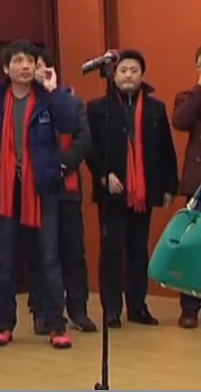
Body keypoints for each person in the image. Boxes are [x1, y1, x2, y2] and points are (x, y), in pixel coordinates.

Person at [0, 39, 77, 349]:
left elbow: (69, 123)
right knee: (6, 261)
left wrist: (54, 90)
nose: (24, 66)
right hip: (8, 189)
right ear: (6, 67)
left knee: (49, 259)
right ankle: (3, 324)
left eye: (30, 61)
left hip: (42, 189)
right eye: (18, 60)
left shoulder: (49, 98)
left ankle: (56, 324)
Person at [86, 49, 178, 328]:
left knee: (138, 249)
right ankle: (111, 310)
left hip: (144, 190)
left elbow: (166, 149)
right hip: (112, 190)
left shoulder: (155, 108)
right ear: (114, 74)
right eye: (123, 70)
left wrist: (169, 186)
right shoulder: (98, 108)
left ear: (142, 75)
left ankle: (137, 306)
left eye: (134, 71)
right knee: (112, 249)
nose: (128, 75)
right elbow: (90, 147)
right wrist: (103, 175)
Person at [27, 48, 97, 335]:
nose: (35, 70)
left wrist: (60, 166)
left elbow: (84, 139)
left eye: (39, 65)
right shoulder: (26, 103)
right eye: (31, 65)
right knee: (42, 253)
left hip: (67, 187)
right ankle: (42, 311)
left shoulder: (70, 101)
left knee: (73, 251)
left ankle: (78, 310)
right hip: (37, 189)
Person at [171, 46, 201, 328]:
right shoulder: (188, 97)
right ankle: (190, 307)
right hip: (198, 184)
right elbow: (180, 121)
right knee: (192, 245)